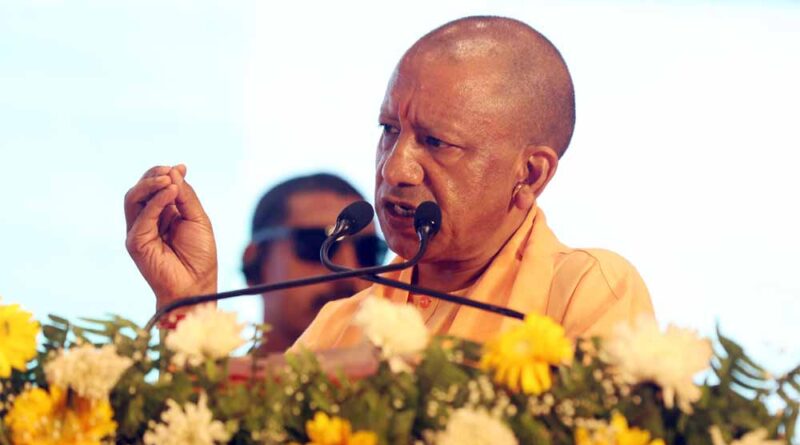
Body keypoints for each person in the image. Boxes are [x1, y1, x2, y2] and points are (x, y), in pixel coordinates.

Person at [124, 16, 655, 352]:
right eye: (389, 131)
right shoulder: (343, 322)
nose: (395, 169)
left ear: (530, 173)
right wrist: (189, 302)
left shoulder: (584, 290)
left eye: (436, 142)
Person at [240, 173, 386, 353]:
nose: (349, 271)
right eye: (318, 245)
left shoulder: (410, 368)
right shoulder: (212, 371)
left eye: (368, 250)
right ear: (253, 264)